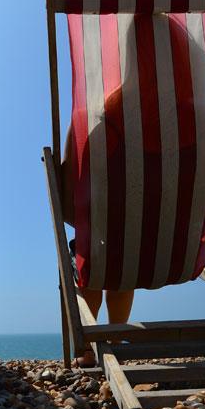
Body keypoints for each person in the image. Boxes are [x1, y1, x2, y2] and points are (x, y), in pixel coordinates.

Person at [60, 87, 134, 368]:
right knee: (130, 247)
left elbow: (69, 207)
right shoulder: (204, 120)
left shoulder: (86, 120)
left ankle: (89, 347)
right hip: (169, 249)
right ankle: (115, 343)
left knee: (94, 244)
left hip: (100, 242)